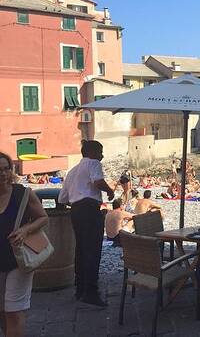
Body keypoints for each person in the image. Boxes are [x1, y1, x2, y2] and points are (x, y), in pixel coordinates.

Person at [58, 140, 114, 307]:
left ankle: (80, 288)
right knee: (93, 250)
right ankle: (91, 291)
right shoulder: (93, 163)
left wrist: (78, 199)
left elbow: (62, 198)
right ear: (92, 152)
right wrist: (110, 191)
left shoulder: (72, 171)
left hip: (76, 211)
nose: (102, 156)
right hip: (90, 209)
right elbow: (97, 181)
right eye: (100, 152)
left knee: (81, 249)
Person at [0, 152, 48, 337]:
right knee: (2, 312)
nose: (3, 174)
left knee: (13, 311)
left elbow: (43, 218)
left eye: (6, 169)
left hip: (18, 260)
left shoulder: (22, 193)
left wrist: (25, 230)